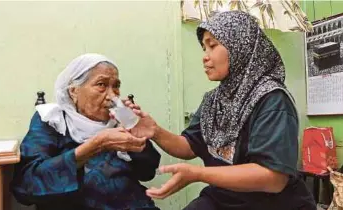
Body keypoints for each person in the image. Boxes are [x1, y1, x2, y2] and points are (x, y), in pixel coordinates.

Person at [128, 11, 316, 210]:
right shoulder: (213, 101)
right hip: (224, 199)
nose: (205, 57)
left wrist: (198, 174)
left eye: (212, 45)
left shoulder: (271, 100)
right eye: (203, 48)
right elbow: (189, 146)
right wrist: (155, 131)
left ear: (239, 46)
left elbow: (273, 178)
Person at [11, 53, 161, 210]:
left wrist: (137, 137)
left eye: (116, 86)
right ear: (74, 91)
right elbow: (25, 186)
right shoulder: (52, 121)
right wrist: (95, 145)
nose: (112, 95)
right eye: (102, 85)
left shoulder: (119, 119)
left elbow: (148, 172)